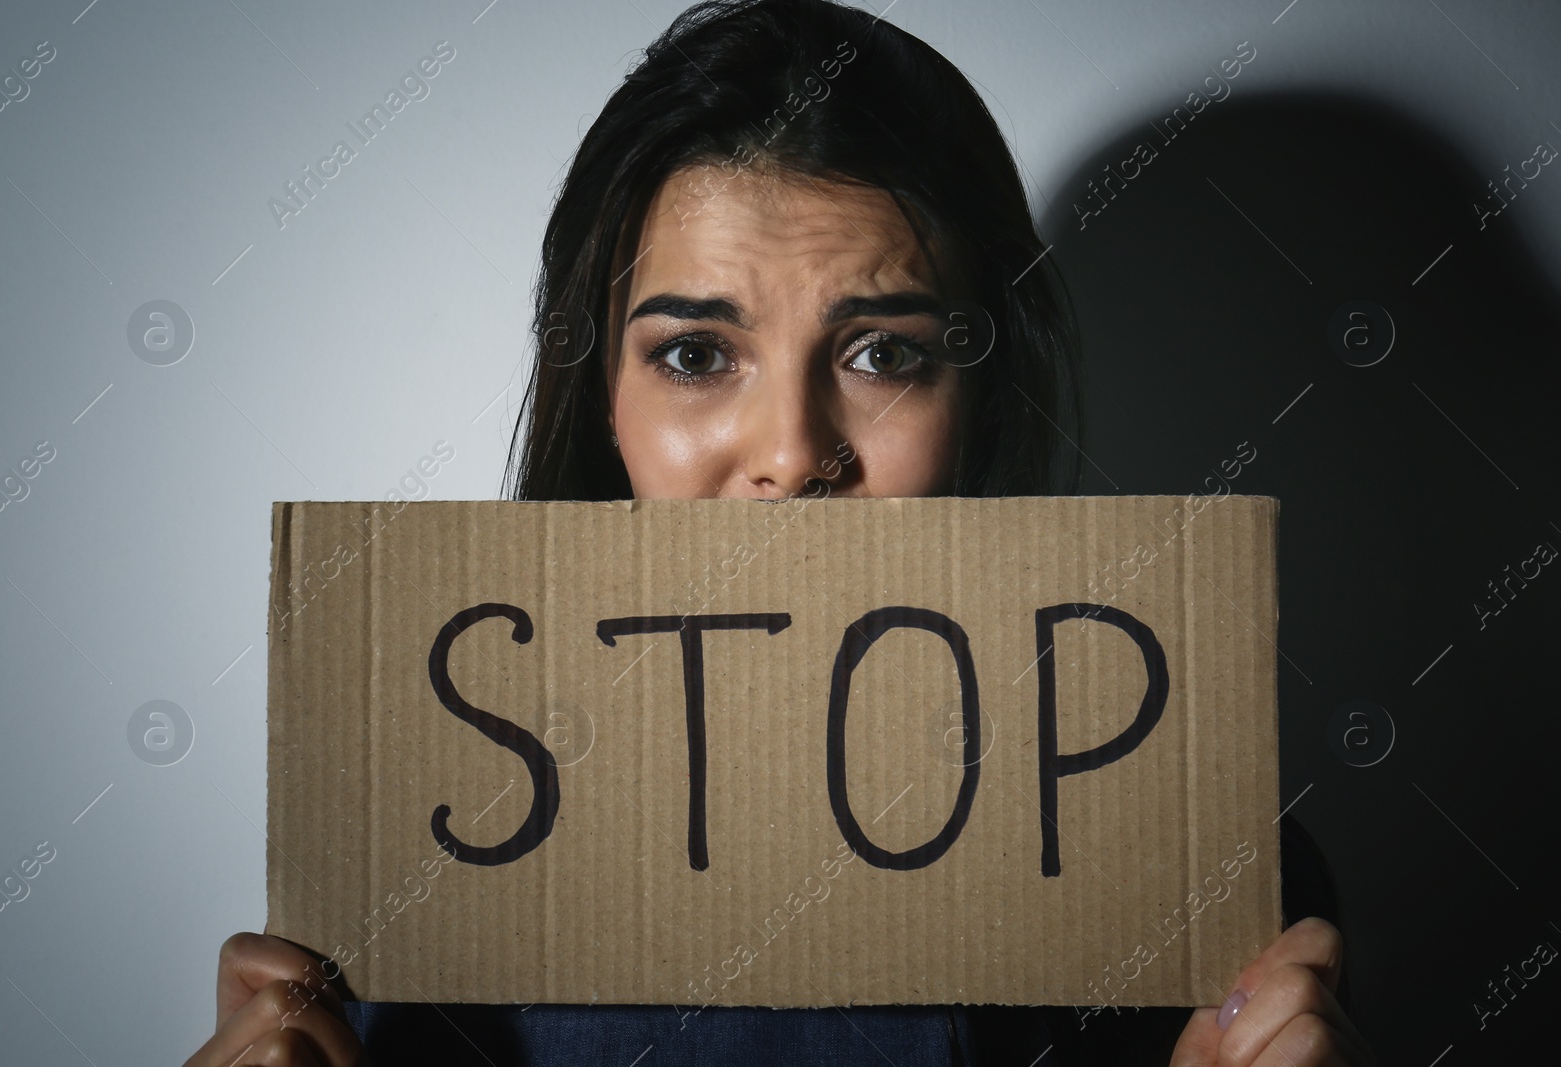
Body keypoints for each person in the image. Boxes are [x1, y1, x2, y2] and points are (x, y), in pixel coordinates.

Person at [184, 1, 1375, 1063]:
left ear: (981, 397)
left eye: (882, 353)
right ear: (604, 401)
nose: (795, 453)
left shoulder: (1205, 865)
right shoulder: (422, 853)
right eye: (696, 355)